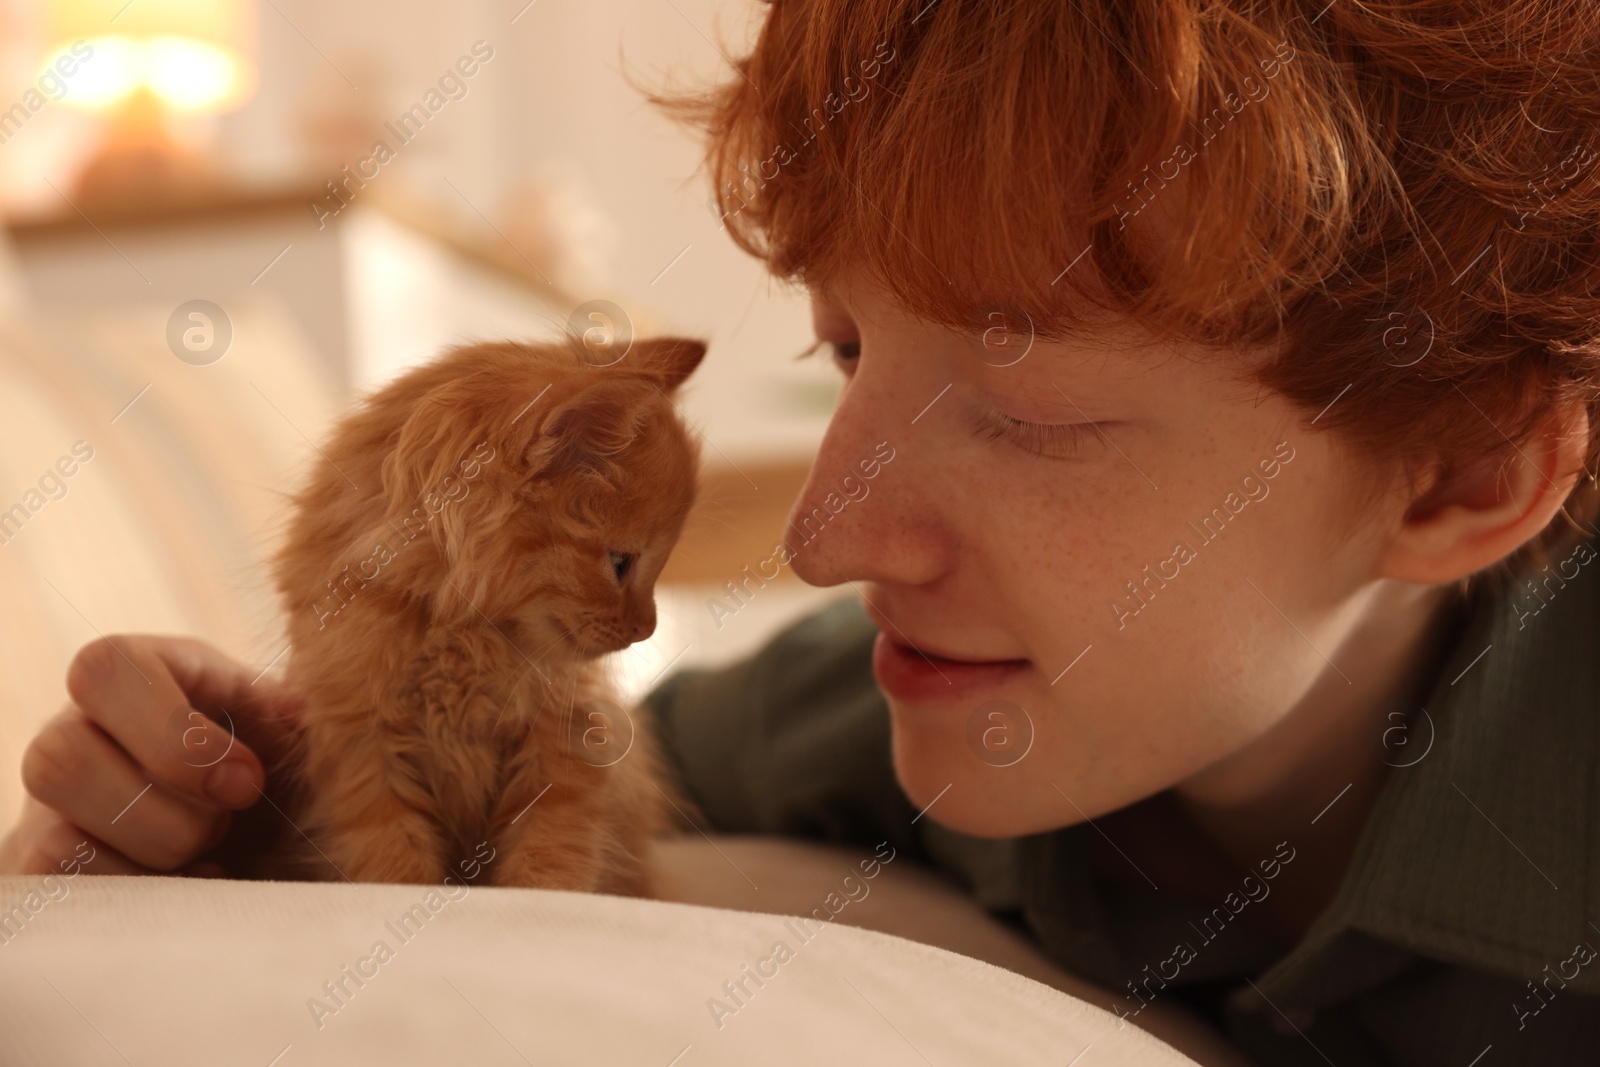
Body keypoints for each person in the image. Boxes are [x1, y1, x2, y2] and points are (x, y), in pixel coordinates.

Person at [6, 0, 1600, 1062]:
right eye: (844, 348)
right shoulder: (836, 725)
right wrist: (263, 830)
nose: (824, 539)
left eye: (1031, 407)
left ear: (1459, 477)